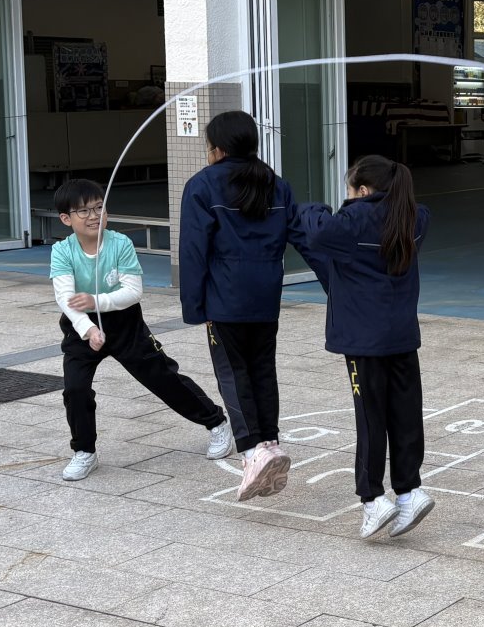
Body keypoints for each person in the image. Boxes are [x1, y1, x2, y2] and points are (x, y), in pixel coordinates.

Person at [50, 178, 231, 483]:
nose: (94, 216)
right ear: (66, 219)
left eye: (99, 207)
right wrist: (89, 329)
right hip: (82, 329)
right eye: (84, 211)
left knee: (163, 377)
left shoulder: (120, 243)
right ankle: (84, 451)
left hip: (126, 324)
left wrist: (97, 300)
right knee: (75, 389)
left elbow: (133, 292)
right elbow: (66, 298)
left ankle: (216, 422)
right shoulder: (61, 251)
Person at [293, 154, 434, 540]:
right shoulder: (414, 219)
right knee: (405, 414)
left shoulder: (354, 222)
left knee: (370, 419)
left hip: (364, 341)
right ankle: (409, 491)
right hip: (401, 336)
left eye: (350, 190)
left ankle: (373, 498)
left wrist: (315, 207)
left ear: (364, 190)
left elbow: (317, 229)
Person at [180, 109, 297, 503]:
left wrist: (194, 306)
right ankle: (270, 442)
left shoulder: (202, 185)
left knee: (233, 373)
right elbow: (295, 234)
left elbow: (193, 250)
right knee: (262, 368)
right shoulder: (276, 184)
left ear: (218, 148)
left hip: (225, 297)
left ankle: (252, 451)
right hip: (266, 293)